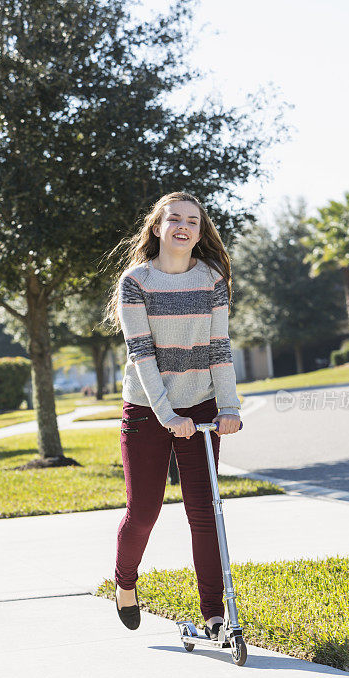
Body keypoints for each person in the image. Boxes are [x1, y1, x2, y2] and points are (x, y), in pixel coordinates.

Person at [101, 191, 242, 640]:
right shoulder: (136, 282)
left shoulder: (212, 278)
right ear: (157, 226)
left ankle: (215, 615)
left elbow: (219, 348)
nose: (184, 227)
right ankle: (125, 581)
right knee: (144, 512)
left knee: (205, 511)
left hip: (199, 405)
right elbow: (141, 354)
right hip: (146, 408)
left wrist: (229, 407)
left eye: (193, 222)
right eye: (174, 219)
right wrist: (166, 413)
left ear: (201, 232)